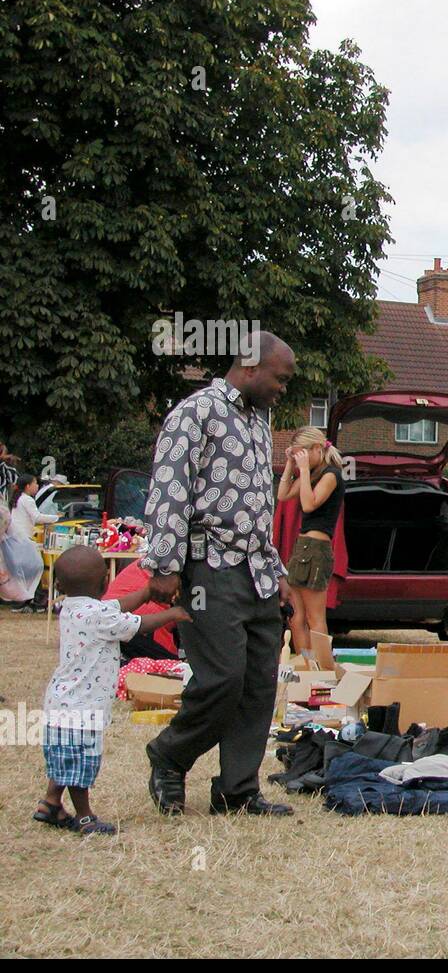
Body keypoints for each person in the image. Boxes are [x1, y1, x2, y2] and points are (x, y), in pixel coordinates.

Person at [140, 333, 298, 817]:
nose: (283, 389)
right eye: (281, 378)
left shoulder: (257, 422)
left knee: (257, 684)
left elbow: (257, 506)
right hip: (211, 567)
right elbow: (170, 488)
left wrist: (279, 571)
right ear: (250, 367)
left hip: (259, 572)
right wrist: (166, 564)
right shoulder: (195, 412)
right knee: (223, 679)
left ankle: (237, 789)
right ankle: (170, 755)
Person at [34, 546, 190, 834]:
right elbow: (139, 624)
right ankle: (84, 816)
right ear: (105, 581)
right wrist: (172, 613)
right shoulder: (99, 617)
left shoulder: (71, 608)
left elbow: (116, 606)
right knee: (81, 763)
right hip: (83, 707)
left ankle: (51, 802)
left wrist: (145, 594)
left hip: (62, 701)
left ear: (59, 585)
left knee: (65, 755)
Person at [276, 426, 344, 655]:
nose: (300, 459)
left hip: (317, 548)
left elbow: (309, 504)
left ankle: (319, 671)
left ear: (317, 448)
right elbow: (283, 495)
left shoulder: (331, 474)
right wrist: (290, 465)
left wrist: (303, 470)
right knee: (296, 617)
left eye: (302, 453)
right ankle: (306, 666)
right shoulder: (311, 474)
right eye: (296, 454)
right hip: (302, 547)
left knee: (316, 619)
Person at [1, 473, 48, 609]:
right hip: (23, 540)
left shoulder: (18, 498)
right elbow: (37, 517)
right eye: (35, 483)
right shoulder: (27, 499)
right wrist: (55, 518)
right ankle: (33, 601)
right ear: (28, 486)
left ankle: (25, 601)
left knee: (23, 570)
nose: (37, 486)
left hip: (16, 539)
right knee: (35, 567)